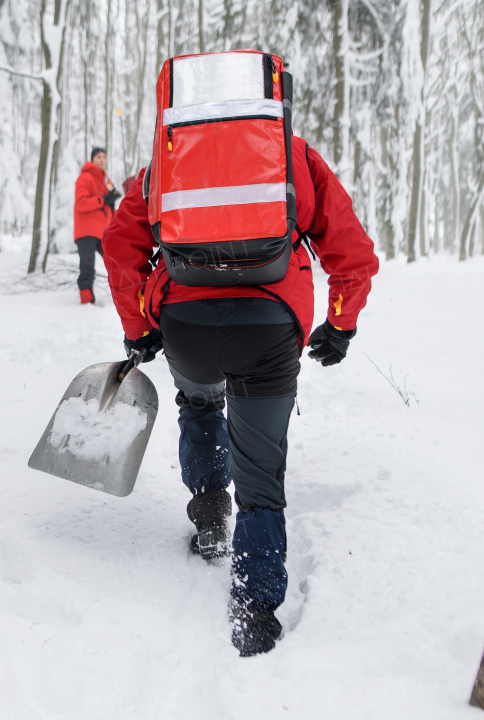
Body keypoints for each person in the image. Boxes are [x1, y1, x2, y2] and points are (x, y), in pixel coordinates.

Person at [101, 137, 378, 657]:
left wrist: (139, 327)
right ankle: (254, 608)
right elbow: (351, 248)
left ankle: (209, 517)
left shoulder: (171, 156)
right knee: (261, 474)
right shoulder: (294, 154)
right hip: (268, 327)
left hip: (186, 323)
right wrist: (341, 323)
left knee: (201, 404)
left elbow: (121, 244)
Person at [72, 148, 121, 304]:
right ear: (92, 160)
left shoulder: (105, 182)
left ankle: (123, 297)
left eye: (104, 157)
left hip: (101, 232)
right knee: (87, 266)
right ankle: (86, 301)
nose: (102, 160)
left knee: (114, 261)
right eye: (98, 157)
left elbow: (108, 212)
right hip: (86, 231)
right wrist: (104, 200)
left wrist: (118, 208)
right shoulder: (85, 178)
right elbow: (81, 204)